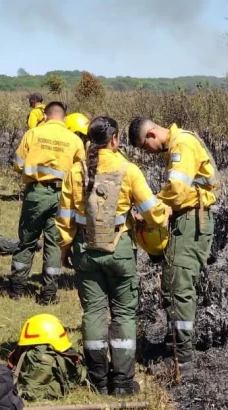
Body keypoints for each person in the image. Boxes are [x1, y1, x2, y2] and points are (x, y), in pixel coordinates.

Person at [56, 116, 171, 397]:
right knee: (123, 314)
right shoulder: (128, 170)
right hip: (119, 249)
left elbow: (66, 217)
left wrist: (65, 247)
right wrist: (165, 213)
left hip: (85, 249)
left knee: (93, 312)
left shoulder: (75, 171)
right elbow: (151, 211)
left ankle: (96, 377)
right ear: (115, 139)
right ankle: (121, 381)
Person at [127, 118, 218, 377]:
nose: (148, 152)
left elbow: (177, 192)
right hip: (185, 219)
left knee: (179, 287)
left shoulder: (182, 145)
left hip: (191, 220)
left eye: (146, 147)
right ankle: (175, 349)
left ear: (152, 133)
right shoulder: (177, 145)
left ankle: (183, 362)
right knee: (171, 283)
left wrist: (149, 208)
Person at [9, 101, 85, 305]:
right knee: (54, 243)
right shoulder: (74, 140)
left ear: (46, 115)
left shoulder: (32, 134)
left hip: (36, 192)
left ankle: (17, 288)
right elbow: (81, 172)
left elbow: (18, 163)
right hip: (62, 196)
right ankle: (49, 293)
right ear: (64, 117)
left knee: (27, 240)